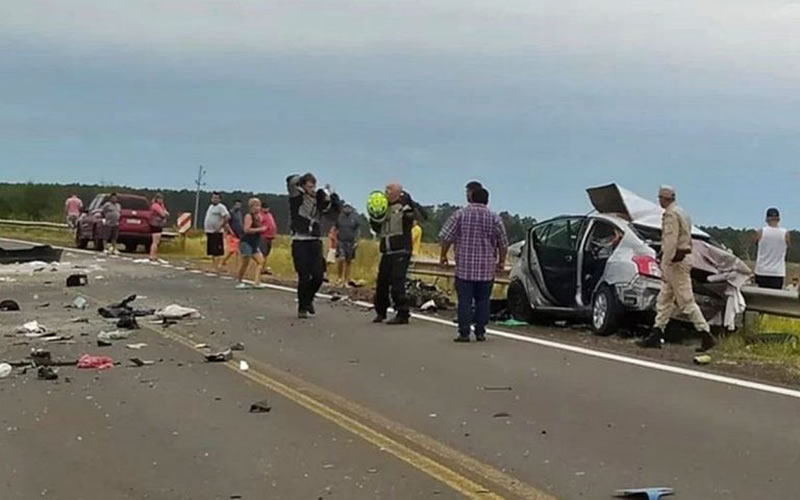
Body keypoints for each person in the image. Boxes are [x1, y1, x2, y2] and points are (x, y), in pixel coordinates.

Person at [638, 186, 715, 352]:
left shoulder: (670, 215)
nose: (658, 200)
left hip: (675, 262)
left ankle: (705, 333)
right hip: (681, 259)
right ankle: (656, 333)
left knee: (686, 300)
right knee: (664, 299)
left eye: (659, 198)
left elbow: (671, 241)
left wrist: (665, 263)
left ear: (664, 198)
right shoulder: (682, 212)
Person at [439, 187, 509, 342]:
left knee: (464, 300)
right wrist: (501, 261)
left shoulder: (460, 215)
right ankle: (480, 331)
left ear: (471, 197)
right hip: (486, 268)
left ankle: (464, 332)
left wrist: (443, 255)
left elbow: (446, 237)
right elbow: (503, 243)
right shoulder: (494, 218)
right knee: (483, 301)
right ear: (487, 200)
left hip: (464, 267)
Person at [287, 173, 339, 319]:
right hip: (299, 240)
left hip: (314, 240)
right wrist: (300, 179)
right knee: (304, 276)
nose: (312, 189)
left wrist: (332, 198)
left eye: (313, 186)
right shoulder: (296, 198)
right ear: (303, 186)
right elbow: (290, 182)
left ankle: (309, 299)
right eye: (309, 186)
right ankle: (302, 307)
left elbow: (332, 213)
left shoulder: (318, 199)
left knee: (318, 276)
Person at [371, 184, 418, 325]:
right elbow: (377, 228)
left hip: (401, 250)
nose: (386, 192)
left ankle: (402, 312)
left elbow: (417, 216)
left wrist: (409, 205)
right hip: (387, 250)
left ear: (398, 193)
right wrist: (374, 217)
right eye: (385, 189)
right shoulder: (383, 208)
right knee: (382, 283)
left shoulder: (404, 207)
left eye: (389, 190)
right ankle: (381, 311)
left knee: (397, 281)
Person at [754, 208, 789, 290]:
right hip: (777, 272)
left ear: (766, 219)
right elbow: (788, 246)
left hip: (761, 270)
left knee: (760, 298)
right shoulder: (785, 233)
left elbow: (756, 244)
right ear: (778, 219)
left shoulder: (760, 232)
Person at [236, 198, 267, 289]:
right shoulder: (249, 216)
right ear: (251, 207)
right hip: (246, 242)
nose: (258, 208)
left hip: (254, 243)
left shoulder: (259, 217)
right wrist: (260, 229)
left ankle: (257, 282)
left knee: (260, 261)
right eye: (256, 206)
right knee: (245, 262)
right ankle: (239, 280)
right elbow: (246, 229)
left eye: (259, 206)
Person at [204, 192, 230, 273]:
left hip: (217, 232)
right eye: (213, 198)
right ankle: (214, 266)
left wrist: (220, 226)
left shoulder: (221, 207)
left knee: (217, 251)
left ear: (219, 199)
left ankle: (218, 266)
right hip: (210, 231)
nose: (214, 199)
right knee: (211, 250)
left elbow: (227, 216)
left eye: (216, 198)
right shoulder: (211, 207)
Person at [335, 204, 361, 286]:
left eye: (349, 208)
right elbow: (335, 228)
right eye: (345, 208)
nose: (347, 210)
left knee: (348, 261)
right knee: (341, 258)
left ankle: (346, 279)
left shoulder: (355, 218)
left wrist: (357, 241)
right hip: (341, 241)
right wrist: (334, 240)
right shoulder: (339, 217)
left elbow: (358, 230)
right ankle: (339, 278)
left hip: (351, 242)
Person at [222, 200, 244, 270]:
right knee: (233, 251)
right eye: (237, 205)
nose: (238, 206)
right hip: (232, 234)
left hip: (238, 234)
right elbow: (227, 223)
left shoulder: (239, 213)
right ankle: (225, 261)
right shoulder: (231, 213)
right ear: (234, 205)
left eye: (239, 205)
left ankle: (236, 265)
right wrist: (231, 231)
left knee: (237, 251)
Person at [149, 193, 169, 261]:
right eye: (159, 199)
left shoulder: (161, 206)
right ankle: (152, 255)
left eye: (162, 199)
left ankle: (154, 255)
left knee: (157, 242)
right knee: (155, 241)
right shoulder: (155, 206)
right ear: (156, 199)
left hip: (159, 224)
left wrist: (165, 213)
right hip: (155, 224)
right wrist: (165, 214)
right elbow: (163, 214)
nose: (161, 200)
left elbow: (166, 213)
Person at [259, 202, 277, 275]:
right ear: (262, 208)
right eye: (265, 208)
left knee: (266, 254)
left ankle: (263, 268)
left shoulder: (269, 214)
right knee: (263, 253)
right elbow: (258, 224)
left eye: (267, 208)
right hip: (263, 237)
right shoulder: (260, 215)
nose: (266, 209)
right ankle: (260, 268)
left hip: (270, 237)